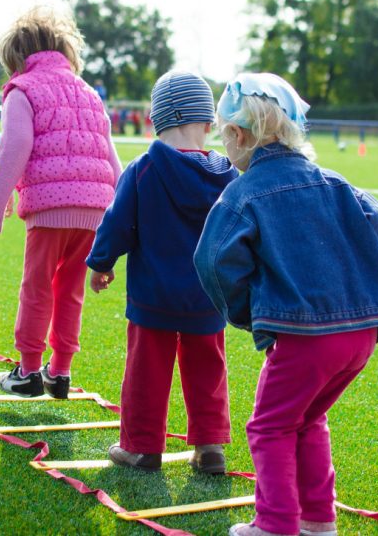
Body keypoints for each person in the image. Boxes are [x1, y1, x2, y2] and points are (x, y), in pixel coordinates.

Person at [194, 73, 378, 536]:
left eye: (225, 136)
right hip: (360, 337)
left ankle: (274, 525)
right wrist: (369, 292)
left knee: (269, 427)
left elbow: (212, 260)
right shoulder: (335, 182)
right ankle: (317, 521)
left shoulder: (243, 192)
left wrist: (248, 313)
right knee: (309, 419)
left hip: (306, 339)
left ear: (238, 135)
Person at [87, 71, 238, 473]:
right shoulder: (229, 175)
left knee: (146, 372)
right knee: (208, 370)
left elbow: (117, 223)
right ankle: (210, 448)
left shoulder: (143, 169)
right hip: (208, 297)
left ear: (155, 120)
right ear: (208, 124)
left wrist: (101, 263)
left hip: (152, 296)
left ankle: (142, 446)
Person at [0, 6, 121, 398]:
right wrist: (122, 216)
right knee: (70, 289)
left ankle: (26, 371)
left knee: (36, 286)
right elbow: (111, 155)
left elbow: (15, 146)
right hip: (95, 209)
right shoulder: (89, 92)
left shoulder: (22, 90)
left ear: (17, 58)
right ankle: (59, 371)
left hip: (50, 207)